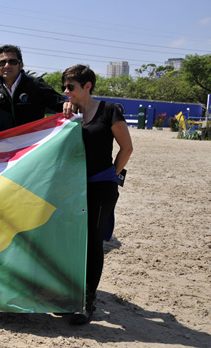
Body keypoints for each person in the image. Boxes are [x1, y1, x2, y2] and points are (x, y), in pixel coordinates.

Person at [62, 64, 133, 325]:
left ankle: (86, 302)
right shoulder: (69, 114)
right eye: (64, 87)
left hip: (102, 187)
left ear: (87, 86)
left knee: (93, 241)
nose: (66, 91)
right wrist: (66, 118)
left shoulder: (109, 110)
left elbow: (126, 147)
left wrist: (112, 174)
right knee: (74, 241)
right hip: (74, 188)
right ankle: (71, 295)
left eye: (71, 87)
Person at [0, 45, 68, 126]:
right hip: (4, 138)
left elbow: (63, 105)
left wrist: (67, 104)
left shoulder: (36, 85)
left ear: (21, 65)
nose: (7, 66)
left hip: (34, 138)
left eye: (12, 62)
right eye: (2, 62)